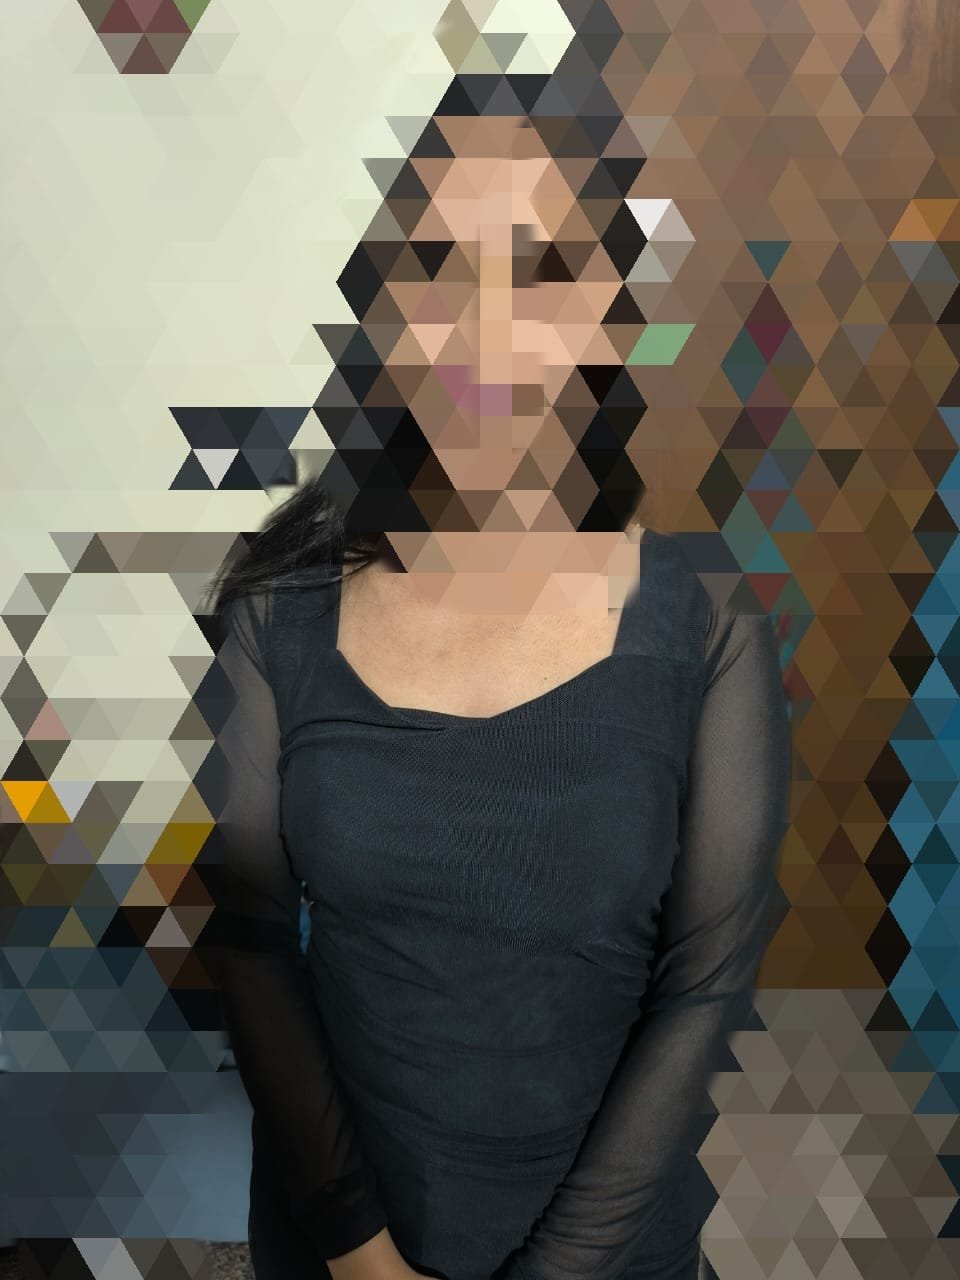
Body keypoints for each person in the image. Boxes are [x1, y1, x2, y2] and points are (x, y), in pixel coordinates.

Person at [195, 97, 793, 1280]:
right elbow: (252, 942)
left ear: (610, 316)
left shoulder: (709, 628)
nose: (487, 329)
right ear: (386, 309)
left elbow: (704, 986)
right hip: (337, 1242)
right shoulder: (277, 612)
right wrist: (363, 1256)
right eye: (439, 268)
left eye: (546, 271)